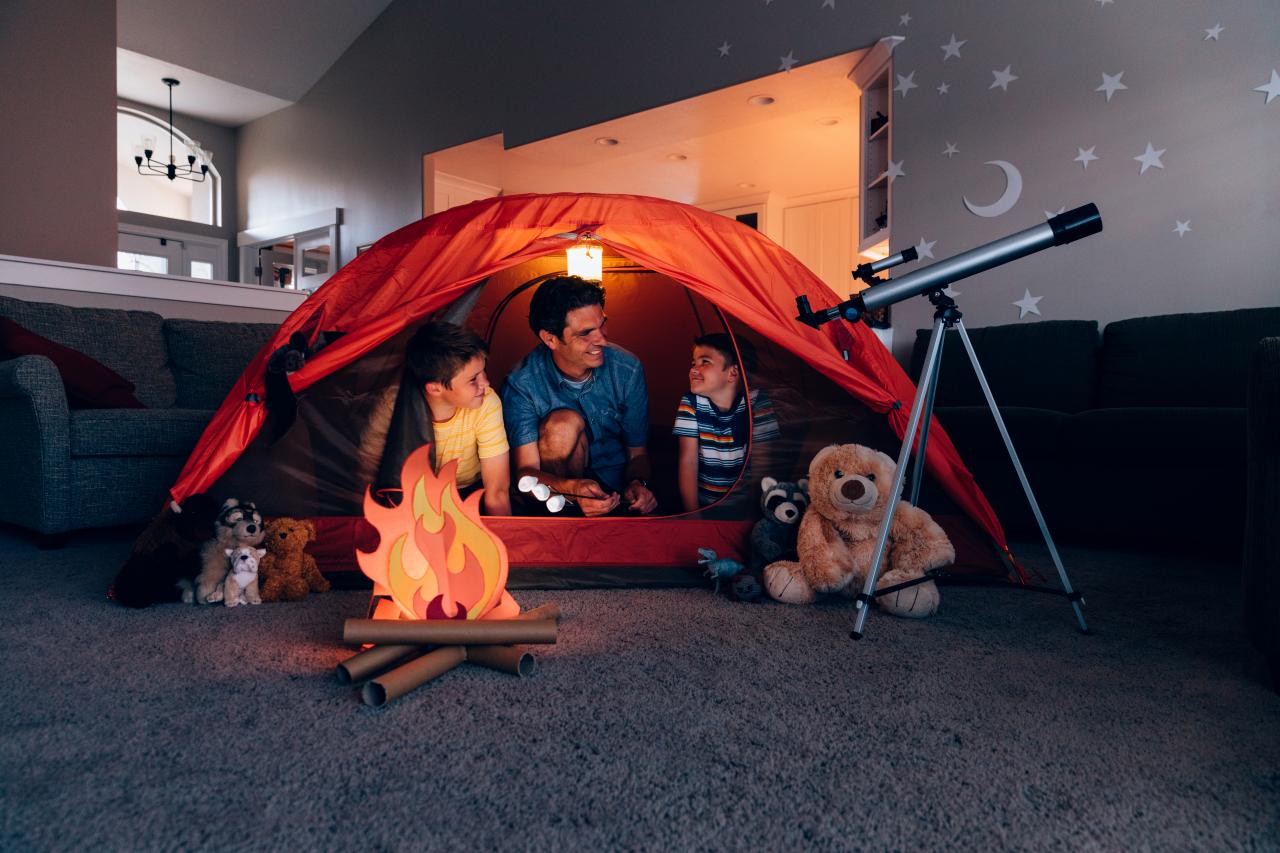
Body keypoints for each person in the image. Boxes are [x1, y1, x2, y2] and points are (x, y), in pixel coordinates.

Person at [501, 276, 657, 517]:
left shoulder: (627, 369)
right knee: (563, 423)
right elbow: (526, 474)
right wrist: (572, 489)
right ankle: (568, 521)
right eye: (586, 333)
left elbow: (638, 453)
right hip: (558, 496)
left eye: (602, 324)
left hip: (617, 490)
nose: (602, 340)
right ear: (550, 339)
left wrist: (638, 484)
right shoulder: (522, 383)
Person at [403, 320, 511, 515]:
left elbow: (497, 491)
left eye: (483, 371)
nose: (485, 383)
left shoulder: (486, 402)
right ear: (435, 388)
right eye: (473, 379)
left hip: (469, 492)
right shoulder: (398, 411)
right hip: (413, 498)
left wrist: (503, 543)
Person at [672, 333, 781, 512]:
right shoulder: (691, 403)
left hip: (746, 506)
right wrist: (693, 516)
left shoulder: (758, 403)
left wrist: (752, 514)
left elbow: (762, 464)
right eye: (693, 363)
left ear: (733, 373)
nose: (693, 369)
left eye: (704, 362)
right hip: (704, 506)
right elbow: (688, 462)